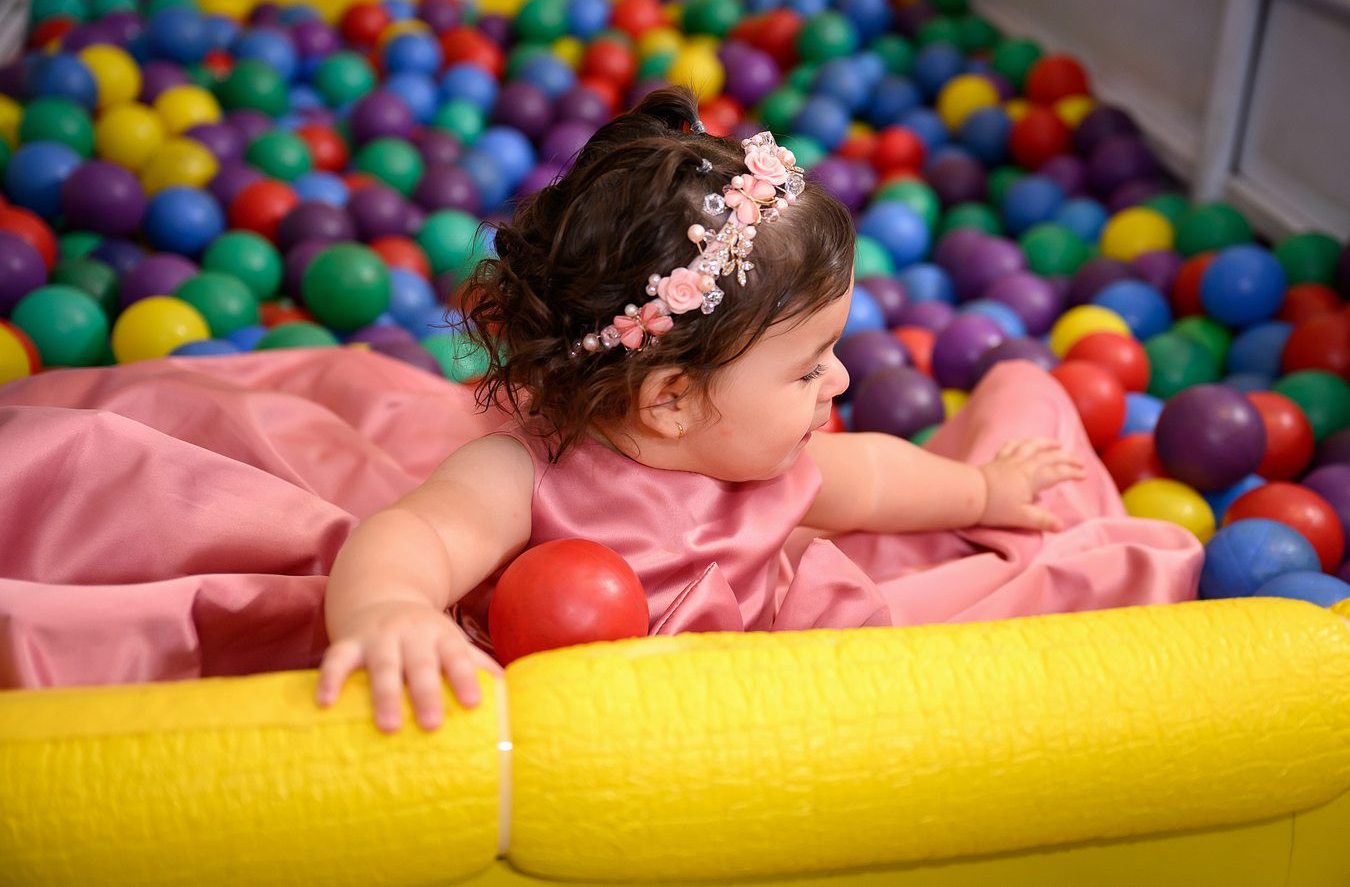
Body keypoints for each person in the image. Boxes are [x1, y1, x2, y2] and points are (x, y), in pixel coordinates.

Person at [316, 88, 1201, 734]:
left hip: (769, 698)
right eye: (809, 366)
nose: (841, 381)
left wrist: (982, 493)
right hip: (590, 722)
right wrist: (389, 609)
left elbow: (874, 478)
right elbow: (413, 535)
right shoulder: (521, 475)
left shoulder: (764, 461)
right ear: (671, 399)